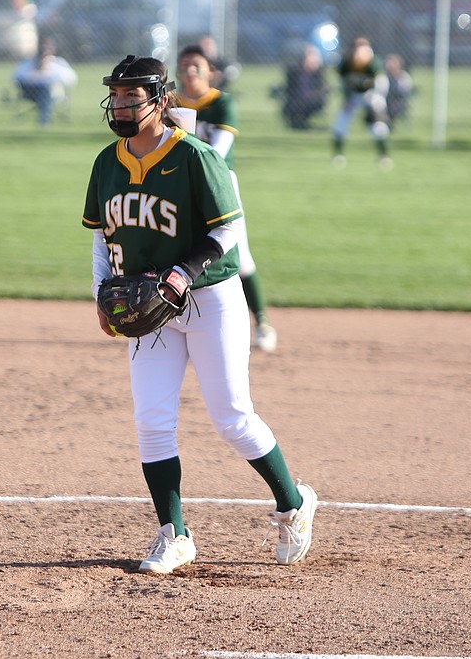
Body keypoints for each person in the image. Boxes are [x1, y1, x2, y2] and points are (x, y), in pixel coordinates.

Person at [82, 54, 317, 575]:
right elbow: (103, 235)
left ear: (159, 101)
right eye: (115, 96)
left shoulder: (195, 156)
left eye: (131, 97)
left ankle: (293, 503)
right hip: (148, 307)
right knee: (152, 422)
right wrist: (101, 293)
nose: (119, 105)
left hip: (209, 298)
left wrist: (183, 273)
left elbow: (229, 229)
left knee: (231, 415)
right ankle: (174, 535)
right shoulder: (106, 162)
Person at [173, 43, 278, 354]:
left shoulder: (221, 103)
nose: (190, 70)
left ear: (211, 72)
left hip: (219, 185)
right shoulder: (171, 101)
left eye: (197, 65)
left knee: (239, 255)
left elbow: (217, 152)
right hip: (178, 185)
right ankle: (175, 323)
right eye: (185, 65)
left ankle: (262, 322)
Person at [331, 36, 392, 169]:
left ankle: (384, 155)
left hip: (371, 95)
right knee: (340, 122)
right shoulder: (347, 62)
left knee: (378, 127)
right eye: (356, 48)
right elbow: (343, 83)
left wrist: (376, 99)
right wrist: (346, 99)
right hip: (353, 96)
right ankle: (337, 155)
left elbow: (381, 83)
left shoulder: (373, 62)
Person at [11, 38, 77, 125]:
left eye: (47, 49)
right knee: (43, 90)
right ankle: (44, 121)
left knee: (46, 89)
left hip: (52, 92)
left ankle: (43, 121)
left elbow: (71, 79)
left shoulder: (58, 63)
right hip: (30, 92)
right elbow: (16, 77)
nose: (44, 52)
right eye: (42, 49)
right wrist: (35, 73)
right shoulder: (28, 62)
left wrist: (49, 71)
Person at [281, 43, 329, 130]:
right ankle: (296, 121)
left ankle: (301, 122)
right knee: (303, 102)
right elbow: (291, 89)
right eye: (313, 57)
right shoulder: (295, 71)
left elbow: (322, 88)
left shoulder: (318, 74)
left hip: (311, 100)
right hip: (295, 101)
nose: (316, 61)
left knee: (317, 101)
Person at [382, 53, 414, 130]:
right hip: (385, 99)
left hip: (398, 101)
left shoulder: (403, 76)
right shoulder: (384, 76)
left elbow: (405, 89)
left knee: (393, 107)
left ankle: (388, 124)